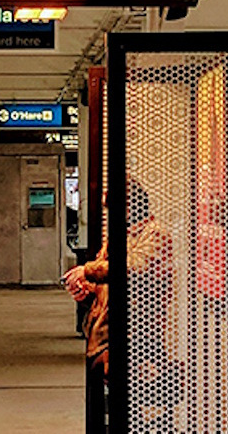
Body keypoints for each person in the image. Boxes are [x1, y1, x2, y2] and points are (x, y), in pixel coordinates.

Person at [64, 179, 174, 432]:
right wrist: (88, 289)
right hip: (106, 331)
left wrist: (88, 271)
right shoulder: (119, 236)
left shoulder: (155, 234)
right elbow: (109, 282)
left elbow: (135, 267)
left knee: (132, 400)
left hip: (139, 332)